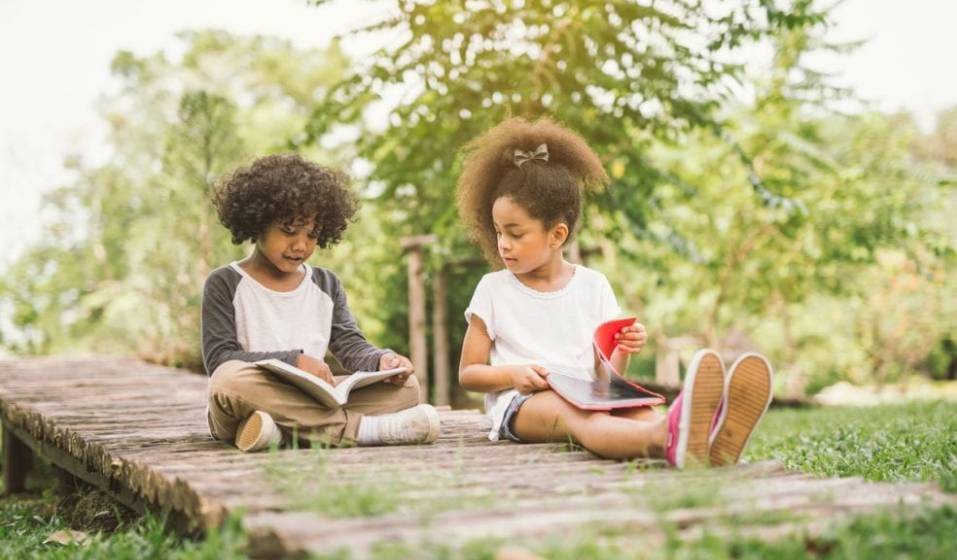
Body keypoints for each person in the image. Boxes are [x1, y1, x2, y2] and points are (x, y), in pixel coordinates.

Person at [456, 117, 773, 467]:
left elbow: (607, 377)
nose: (503, 244)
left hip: (591, 392)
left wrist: (621, 348)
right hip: (523, 402)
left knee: (642, 411)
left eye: (515, 233)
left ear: (556, 235)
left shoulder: (594, 286)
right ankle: (663, 440)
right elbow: (469, 373)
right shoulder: (494, 289)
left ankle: (708, 444)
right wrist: (513, 375)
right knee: (583, 421)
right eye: (499, 231)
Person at [202, 154, 439, 452]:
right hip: (248, 400)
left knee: (407, 388)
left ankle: (283, 434)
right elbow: (220, 359)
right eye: (288, 231)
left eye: (312, 234)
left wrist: (383, 360)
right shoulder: (224, 282)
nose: (300, 245)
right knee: (227, 380)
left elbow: (351, 346)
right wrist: (294, 361)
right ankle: (362, 430)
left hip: (311, 401)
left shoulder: (326, 284)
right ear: (257, 222)